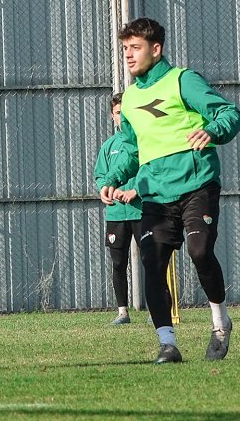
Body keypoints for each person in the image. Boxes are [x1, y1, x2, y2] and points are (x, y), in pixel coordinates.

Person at [99, 18, 240, 364]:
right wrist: (114, 177)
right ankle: (168, 344)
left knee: (199, 251)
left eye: (135, 48)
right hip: (156, 195)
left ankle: (220, 322)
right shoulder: (131, 99)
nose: (129, 56)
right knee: (153, 263)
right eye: (125, 49)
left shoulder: (183, 80)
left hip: (197, 185)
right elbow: (132, 147)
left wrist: (212, 130)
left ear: (156, 49)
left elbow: (229, 113)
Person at [93, 92, 142, 325]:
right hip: (116, 213)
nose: (121, 117)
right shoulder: (109, 146)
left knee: (153, 260)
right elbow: (100, 175)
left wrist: (136, 191)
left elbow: (153, 171)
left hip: (141, 209)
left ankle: (158, 310)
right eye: (117, 113)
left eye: (125, 112)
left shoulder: (144, 141)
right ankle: (123, 312)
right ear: (112, 116)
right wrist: (106, 189)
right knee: (118, 262)